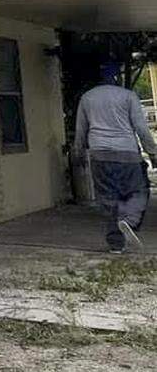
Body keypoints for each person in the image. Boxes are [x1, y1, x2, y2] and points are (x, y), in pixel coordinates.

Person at [74, 61, 156, 253]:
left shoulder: (87, 97)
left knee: (108, 198)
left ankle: (115, 245)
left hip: (99, 155)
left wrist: (78, 153)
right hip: (127, 154)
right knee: (139, 191)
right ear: (117, 77)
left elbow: (81, 130)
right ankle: (128, 219)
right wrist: (152, 151)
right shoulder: (128, 96)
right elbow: (142, 129)